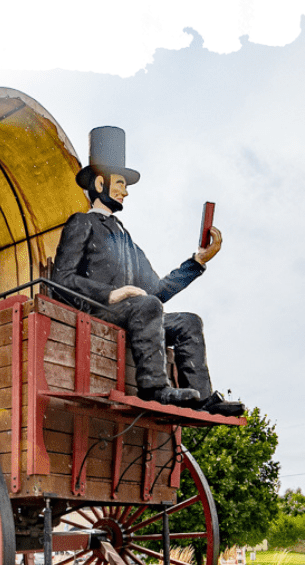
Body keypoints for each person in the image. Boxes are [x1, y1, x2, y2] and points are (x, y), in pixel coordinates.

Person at [50, 124, 243, 416]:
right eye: (120, 183)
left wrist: (199, 261)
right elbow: (61, 281)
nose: (126, 192)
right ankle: (155, 389)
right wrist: (112, 294)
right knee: (146, 306)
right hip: (96, 312)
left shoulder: (126, 240)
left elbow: (156, 292)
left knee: (189, 322)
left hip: (136, 317)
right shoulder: (82, 223)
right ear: (100, 184)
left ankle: (203, 399)